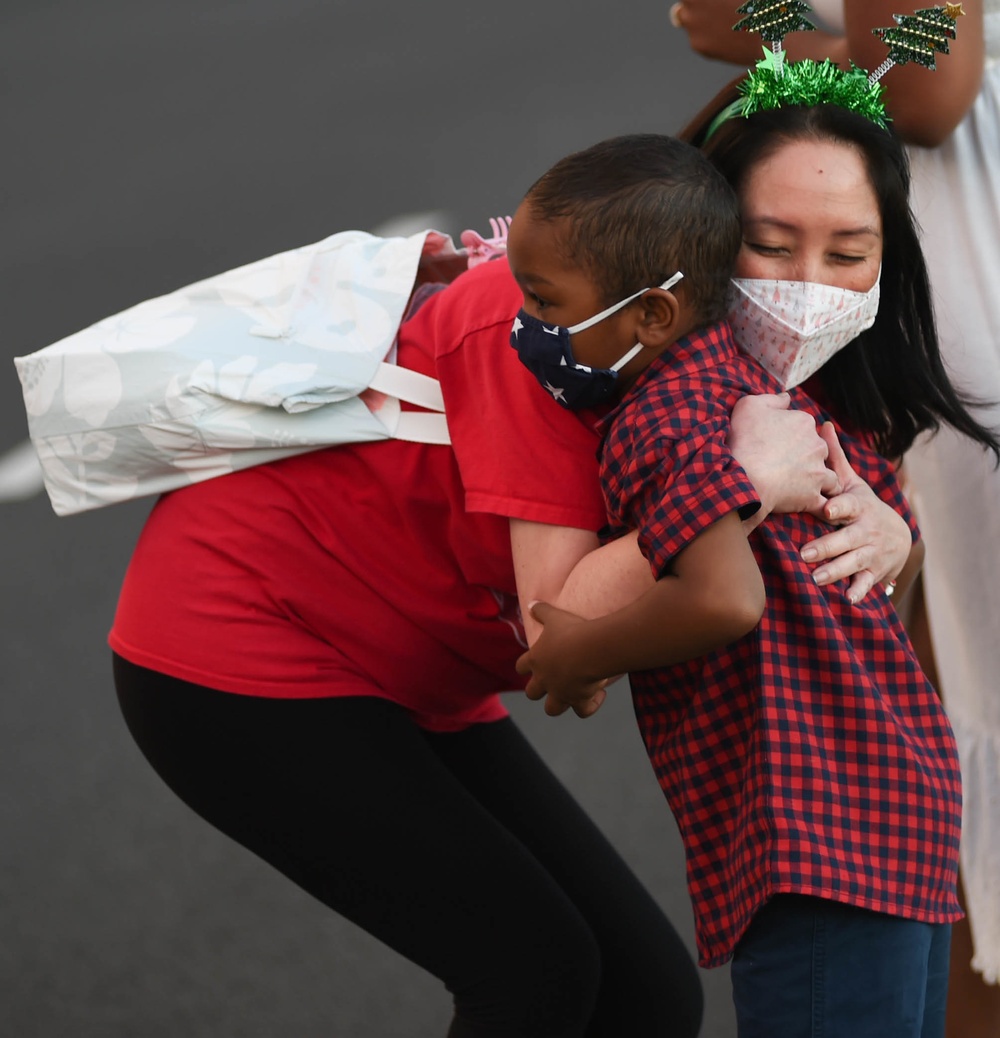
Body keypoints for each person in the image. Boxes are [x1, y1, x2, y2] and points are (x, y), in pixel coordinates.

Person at [109, 187, 890, 1031]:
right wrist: (740, 487)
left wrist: (885, 521)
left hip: (412, 665)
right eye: (776, 243)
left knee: (646, 998)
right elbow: (564, 627)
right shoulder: (547, 329)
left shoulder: (725, 348)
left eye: (848, 253)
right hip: (243, 636)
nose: (809, 282)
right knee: (532, 973)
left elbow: (843, 509)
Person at [509, 128, 1000, 1037]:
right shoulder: (771, 395)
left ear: (655, 307)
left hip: (816, 830)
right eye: (771, 245)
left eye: (545, 301)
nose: (529, 326)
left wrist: (580, 652)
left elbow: (723, 599)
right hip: (898, 807)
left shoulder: (670, 413)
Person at [670, 2, 1000, 1031]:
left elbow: (927, 78)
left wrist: (802, 47)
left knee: (948, 741)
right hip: (881, 243)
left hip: (949, 252)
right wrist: (822, 43)